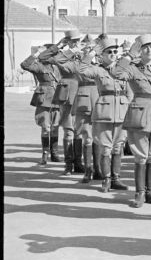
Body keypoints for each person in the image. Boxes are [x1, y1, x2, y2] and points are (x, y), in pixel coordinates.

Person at [111, 34, 151, 208]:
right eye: (144, 47)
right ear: (140, 49)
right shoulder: (133, 68)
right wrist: (129, 55)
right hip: (139, 116)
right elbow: (116, 72)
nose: (149, 50)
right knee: (140, 155)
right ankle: (139, 193)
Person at [78, 37, 133, 191]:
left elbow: (130, 93)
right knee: (106, 148)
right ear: (102, 55)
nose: (113, 54)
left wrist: (126, 107)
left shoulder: (124, 70)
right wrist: (92, 53)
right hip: (104, 113)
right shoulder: (98, 70)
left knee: (118, 148)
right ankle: (106, 179)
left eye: (115, 51)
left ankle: (116, 178)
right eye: (109, 52)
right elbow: (81, 70)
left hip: (122, 113)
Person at [54, 35, 100, 183]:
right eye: (84, 46)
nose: (87, 49)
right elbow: (57, 60)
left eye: (90, 47)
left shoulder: (100, 63)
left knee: (84, 134)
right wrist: (71, 50)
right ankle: (69, 165)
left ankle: (81, 164)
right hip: (70, 98)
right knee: (69, 132)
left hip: (92, 101)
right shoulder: (76, 63)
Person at [39, 30, 85, 176]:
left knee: (79, 131)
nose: (76, 43)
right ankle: (68, 164)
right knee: (68, 129)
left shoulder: (83, 54)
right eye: (73, 41)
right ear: (68, 41)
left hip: (82, 94)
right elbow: (42, 57)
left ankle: (78, 163)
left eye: (78, 40)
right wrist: (59, 45)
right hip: (66, 94)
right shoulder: (62, 55)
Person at [20, 45, 62, 165]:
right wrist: (35, 54)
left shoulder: (57, 67)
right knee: (46, 127)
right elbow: (25, 65)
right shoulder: (39, 66)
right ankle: (45, 153)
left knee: (55, 126)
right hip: (44, 99)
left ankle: (54, 153)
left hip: (57, 98)